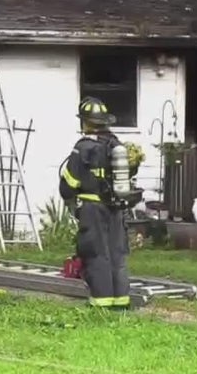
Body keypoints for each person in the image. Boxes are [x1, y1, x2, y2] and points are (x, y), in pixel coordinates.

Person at [59, 97, 143, 310]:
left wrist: (71, 197)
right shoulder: (116, 145)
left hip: (92, 209)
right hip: (116, 208)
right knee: (117, 253)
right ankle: (121, 301)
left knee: (95, 253)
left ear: (85, 122)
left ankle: (101, 304)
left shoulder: (83, 147)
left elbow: (68, 185)